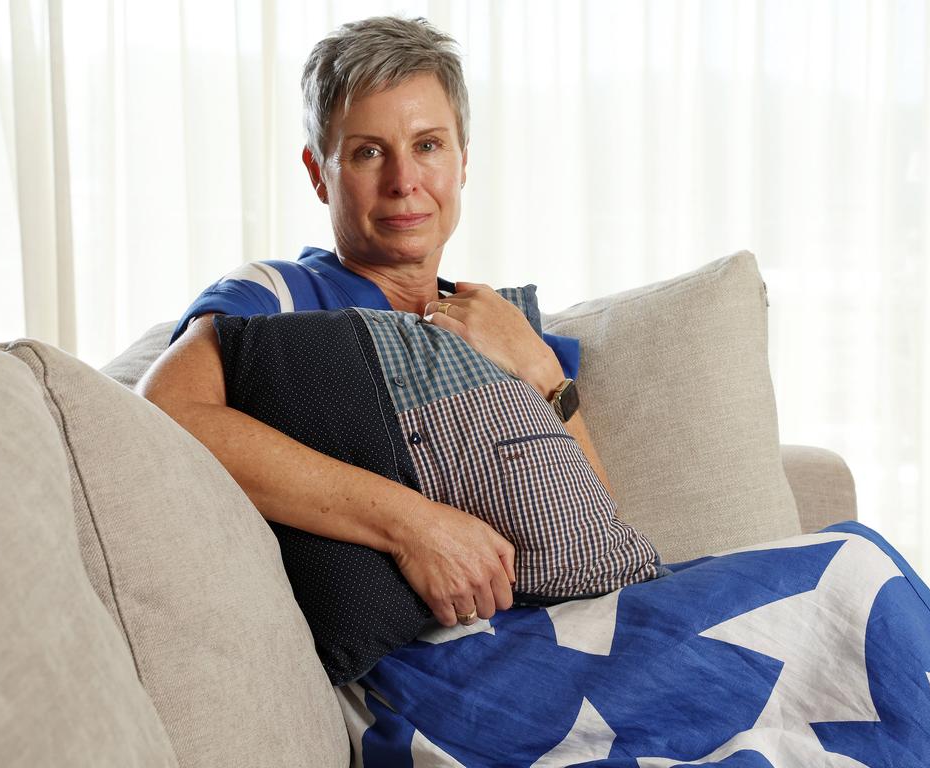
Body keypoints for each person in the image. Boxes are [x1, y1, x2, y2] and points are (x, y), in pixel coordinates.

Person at [138, 15, 615, 630]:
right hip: (426, 662)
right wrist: (413, 527)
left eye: (428, 145)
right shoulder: (278, 294)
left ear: (462, 162)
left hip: (559, 630)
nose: (403, 182)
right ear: (318, 172)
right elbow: (165, 412)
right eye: (368, 153)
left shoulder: (501, 323)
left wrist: (540, 368)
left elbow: (599, 525)